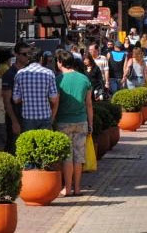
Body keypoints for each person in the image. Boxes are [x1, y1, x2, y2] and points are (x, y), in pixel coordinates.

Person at [54, 51, 93, 197]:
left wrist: (52, 119)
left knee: (67, 157)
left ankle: (67, 188)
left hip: (63, 121)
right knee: (79, 156)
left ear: (60, 62)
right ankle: (77, 188)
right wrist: (91, 123)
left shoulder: (59, 80)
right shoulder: (84, 79)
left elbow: (55, 102)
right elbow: (89, 104)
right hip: (81, 121)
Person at [12, 49, 59, 131]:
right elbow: (54, 99)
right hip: (45, 115)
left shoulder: (19, 73)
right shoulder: (49, 73)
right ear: (41, 58)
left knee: (29, 143)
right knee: (44, 142)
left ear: (28, 58)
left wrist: (26, 97)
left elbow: (15, 100)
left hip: (27, 116)